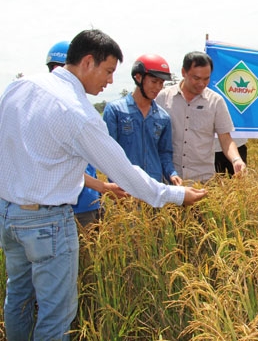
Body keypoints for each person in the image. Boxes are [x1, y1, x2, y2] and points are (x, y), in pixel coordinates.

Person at [0, 29, 207, 341]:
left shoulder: (19, 87)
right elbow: (123, 171)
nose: (110, 81)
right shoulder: (78, 112)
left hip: (9, 216)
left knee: (18, 298)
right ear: (87, 62)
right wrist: (177, 195)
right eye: (108, 71)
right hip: (47, 224)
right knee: (56, 316)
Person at [47, 41, 127, 226]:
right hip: (64, 207)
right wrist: (104, 187)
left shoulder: (77, 109)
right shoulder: (66, 111)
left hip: (87, 203)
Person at [156, 51, 246, 183]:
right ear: (183, 72)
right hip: (168, 180)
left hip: (203, 182)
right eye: (196, 78)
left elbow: (225, 138)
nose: (201, 84)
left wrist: (236, 159)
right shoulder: (163, 98)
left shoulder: (215, 101)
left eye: (206, 79)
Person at [103, 54, 182, 185]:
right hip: (124, 188)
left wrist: (172, 174)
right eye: (154, 81)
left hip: (154, 189)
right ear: (138, 78)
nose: (158, 87)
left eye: (161, 83)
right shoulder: (115, 110)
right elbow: (108, 152)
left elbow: (164, 154)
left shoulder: (163, 118)